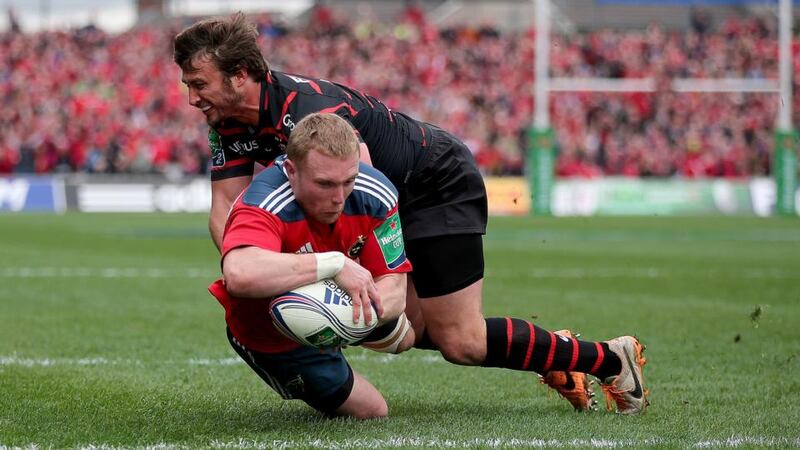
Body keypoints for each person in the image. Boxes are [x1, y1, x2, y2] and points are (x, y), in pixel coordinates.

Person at [174, 12, 650, 414]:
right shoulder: (229, 124)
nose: (193, 98)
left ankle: (611, 360)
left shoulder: (312, 110)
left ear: (239, 75)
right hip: (390, 195)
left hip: (435, 180)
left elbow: (364, 192)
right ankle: (553, 352)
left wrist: (329, 276)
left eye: (199, 84)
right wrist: (259, 267)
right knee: (409, 328)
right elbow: (227, 212)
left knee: (459, 340)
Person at [208, 113, 415, 418]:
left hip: (329, 295)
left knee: (406, 337)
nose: (339, 197)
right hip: (267, 329)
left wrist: (346, 321)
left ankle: (338, 334)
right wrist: (333, 263)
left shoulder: (376, 193)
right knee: (372, 412)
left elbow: (395, 289)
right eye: (325, 184)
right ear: (291, 171)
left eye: (349, 181)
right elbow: (239, 273)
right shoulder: (264, 201)